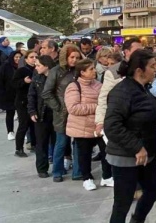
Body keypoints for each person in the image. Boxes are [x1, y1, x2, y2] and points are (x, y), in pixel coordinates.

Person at [104, 50, 156, 223]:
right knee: (122, 203)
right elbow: (112, 126)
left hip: (145, 155)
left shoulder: (143, 89)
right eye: (153, 66)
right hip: (127, 157)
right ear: (139, 70)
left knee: (153, 190)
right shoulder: (122, 92)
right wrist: (137, 147)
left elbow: (146, 117)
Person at [65, 58, 113, 191]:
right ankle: (87, 178)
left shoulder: (98, 84)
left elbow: (106, 99)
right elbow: (73, 108)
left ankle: (107, 176)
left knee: (106, 150)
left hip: (99, 125)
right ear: (82, 72)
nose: (94, 71)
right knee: (84, 154)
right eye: (91, 69)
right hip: (82, 127)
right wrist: (97, 107)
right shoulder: (74, 86)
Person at [43, 44, 83, 182]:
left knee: (78, 143)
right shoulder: (56, 71)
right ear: (65, 57)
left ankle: (77, 171)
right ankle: (57, 171)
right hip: (62, 113)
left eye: (77, 57)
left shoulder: (79, 70)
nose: (74, 60)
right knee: (61, 143)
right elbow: (47, 93)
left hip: (78, 112)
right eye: (72, 57)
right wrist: (58, 107)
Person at [95, 38, 143, 138]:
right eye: (137, 51)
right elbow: (104, 98)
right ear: (126, 52)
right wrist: (100, 122)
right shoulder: (113, 71)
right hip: (122, 121)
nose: (140, 53)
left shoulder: (146, 69)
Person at [29, 55, 56, 178]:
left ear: (46, 66)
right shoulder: (36, 78)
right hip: (41, 114)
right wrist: (32, 111)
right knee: (41, 143)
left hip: (55, 114)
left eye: (38, 65)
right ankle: (42, 168)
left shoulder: (56, 77)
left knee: (58, 142)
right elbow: (31, 95)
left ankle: (58, 167)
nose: (36, 67)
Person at [12, 50, 37, 156]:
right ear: (26, 59)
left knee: (34, 125)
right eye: (31, 57)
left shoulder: (39, 69)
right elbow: (13, 84)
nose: (34, 59)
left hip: (34, 101)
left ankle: (34, 145)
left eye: (36, 57)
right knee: (23, 125)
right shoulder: (21, 70)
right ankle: (19, 149)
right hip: (22, 102)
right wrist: (23, 82)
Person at [0, 50, 20, 141]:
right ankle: (10, 131)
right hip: (9, 93)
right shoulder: (6, 66)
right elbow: (0, 80)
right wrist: (2, 93)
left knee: (22, 115)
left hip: (20, 93)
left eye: (19, 57)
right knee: (10, 113)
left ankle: (23, 132)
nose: (18, 59)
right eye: (16, 57)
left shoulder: (23, 66)